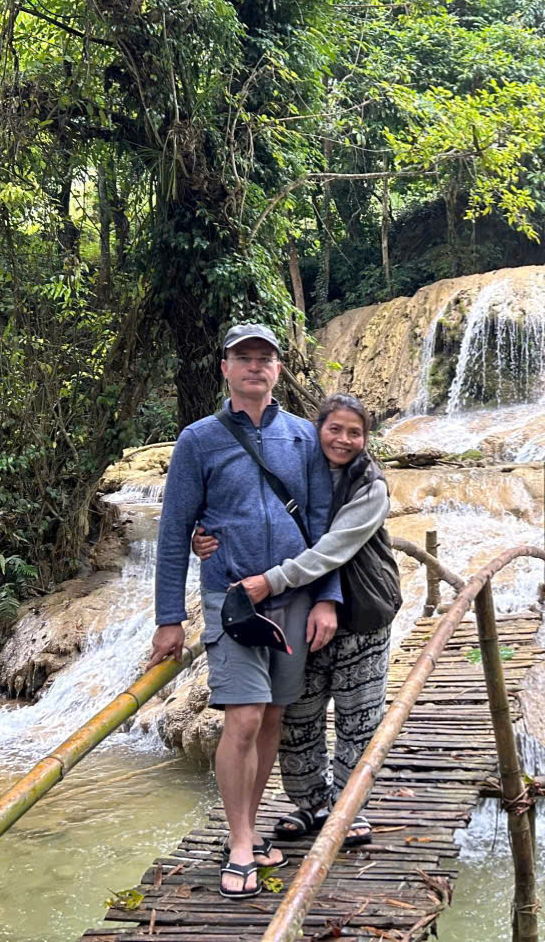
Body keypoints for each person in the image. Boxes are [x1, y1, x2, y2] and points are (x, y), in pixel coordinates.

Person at [148, 324, 341, 900]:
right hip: (230, 599)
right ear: (225, 368)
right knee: (245, 717)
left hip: (293, 597)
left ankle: (250, 827)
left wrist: (328, 597)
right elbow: (175, 531)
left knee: (274, 719)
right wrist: (168, 618)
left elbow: (323, 527)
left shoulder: (303, 437)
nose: (255, 366)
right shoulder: (198, 440)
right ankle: (238, 842)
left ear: (277, 370)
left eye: (265, 358)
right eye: (243, 358)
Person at [192, 392, 395, 849]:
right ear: (315, 429)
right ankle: (311, 804)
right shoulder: (298, 465)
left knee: (358, 718)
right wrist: (205, 533)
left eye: (354, 432)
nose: (343, 440)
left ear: (367, 438)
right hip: (301, 612)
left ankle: (348, 809)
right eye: (334, 429)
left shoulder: (370, 485)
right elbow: (245, 507)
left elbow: (331, 549)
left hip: (360, 612)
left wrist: (272, 581)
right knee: (298, 718)